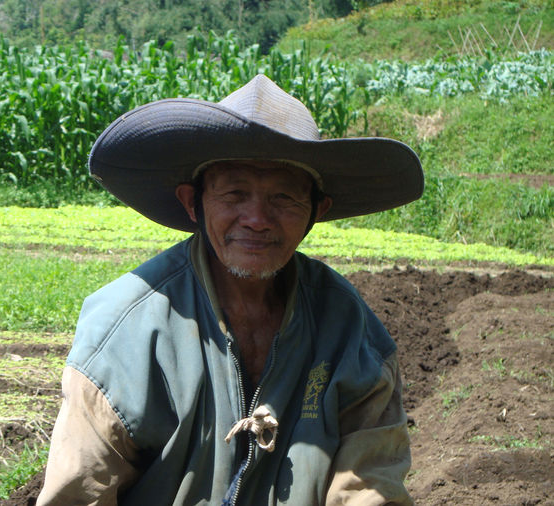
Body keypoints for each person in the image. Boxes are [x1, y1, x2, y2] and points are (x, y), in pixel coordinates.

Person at [37, 74, 424, 505]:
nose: (256, 219)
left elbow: (370, 485)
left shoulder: (349, 328)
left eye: (283, 197)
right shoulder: (126, 330)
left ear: (317, 211)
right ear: (193, 202)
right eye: (235, 193)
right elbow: (79, 493)